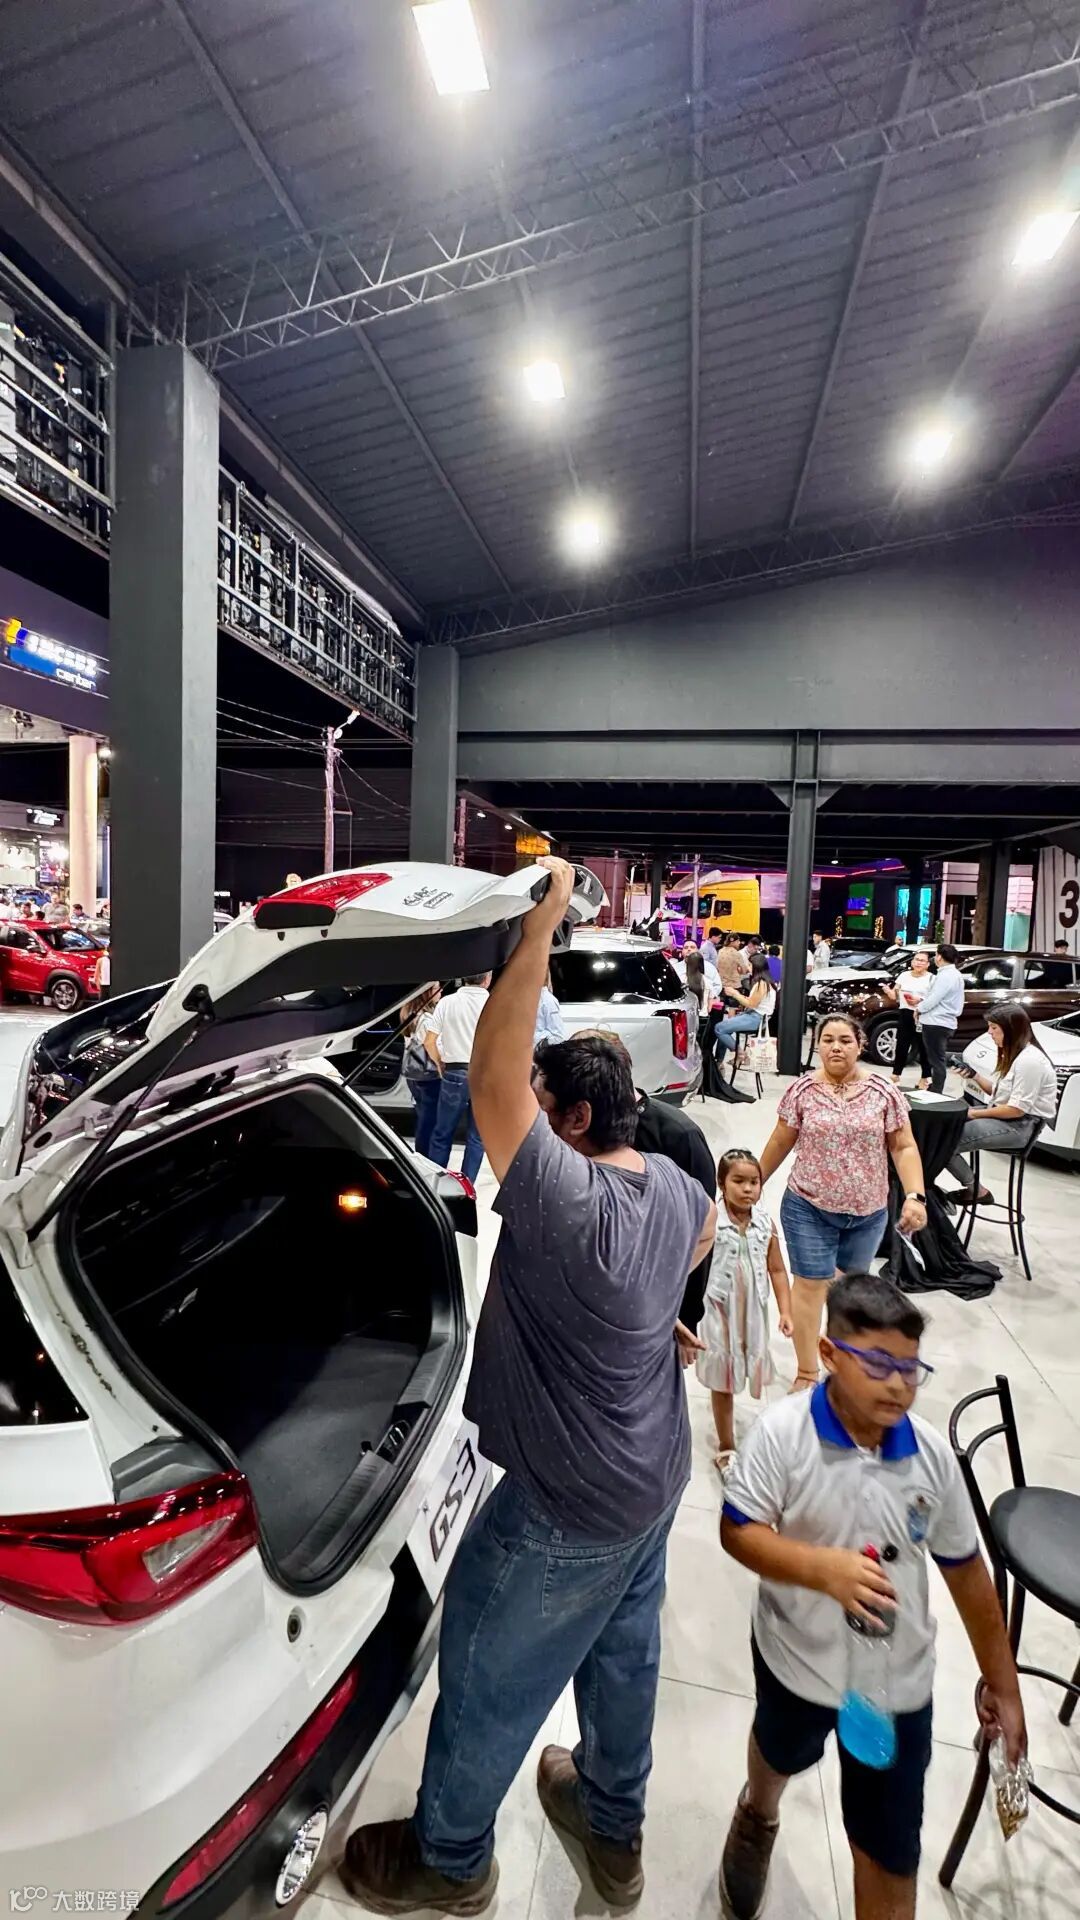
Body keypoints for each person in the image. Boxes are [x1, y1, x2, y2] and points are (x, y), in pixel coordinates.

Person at [341, 859, 715, 1916]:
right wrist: (650, 1320)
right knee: (622, 1657)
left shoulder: (567, 1199)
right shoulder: (670, 1182)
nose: (529, 1125)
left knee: (487, 1665)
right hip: (653, 1479)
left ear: (578, 1122)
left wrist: (538, 932)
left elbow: (495, 1084)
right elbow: (699, 1242)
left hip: (570, 1503)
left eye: (547, 1114)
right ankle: (612, 1827)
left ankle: (449, 1860)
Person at [717, 1272, 1025, 1920]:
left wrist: (1004, 1683)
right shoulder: (783, 1435)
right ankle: (758, 1812)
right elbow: (738, 1531)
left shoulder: (929, 1457)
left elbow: (966, 1570)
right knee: (779, 1749)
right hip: (796, 1658)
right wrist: (821, 1570)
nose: (897, 1385)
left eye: (910, 1369)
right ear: (829, 1354)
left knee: (888, 1851)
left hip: (893, 1686)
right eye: (879, 1364)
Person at [757, 1015, 927, 1391]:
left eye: (845, 1040)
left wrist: (915, 1195)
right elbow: (781, 1139)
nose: (836, 1047)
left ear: (860, 1045)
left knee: (849, 1292)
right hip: (807, 1206)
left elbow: (903, 1146)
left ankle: (842, 1365)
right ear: (817, 1045)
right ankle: (806, 1371)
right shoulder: (802, 1090)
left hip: (867, 1213)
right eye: (828, 1040)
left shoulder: (883, 1092)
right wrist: (757, 1181)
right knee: (810, 1286)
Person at [696, 1150, 793, 1474]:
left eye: (755, 1182)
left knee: (748, 1367)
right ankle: (726, 1445)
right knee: (722, 1379)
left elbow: (777, 1270)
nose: (748, 1189)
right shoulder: (710, 1221)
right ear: (721, 1183)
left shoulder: (766, 1223)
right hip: (718, 1313)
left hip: (753, 1313)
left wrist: (785, 1311)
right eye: (739, 1181)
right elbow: (691, 1266)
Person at [947, 1004, 1056, 1202]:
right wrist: (973, 1075)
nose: (989, 1032)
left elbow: (1016, 1110)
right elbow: (999, 1094)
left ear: (1011, 1029)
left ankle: (977, 1191)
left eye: (994, 1027)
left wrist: (973, 1113)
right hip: (1004, 1116)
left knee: (942, 1142)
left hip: (1019, 1126)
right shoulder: (1017, 1055)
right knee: (940, 1127)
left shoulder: (1030, 1061)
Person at [424, 972, 492, 1186]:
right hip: (485, 1076)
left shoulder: (447, 1002)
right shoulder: (495, 1003)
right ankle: (466, 1187)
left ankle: (435, 1185)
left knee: (442, 1134)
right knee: (477, 1138)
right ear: (487, 979)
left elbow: (429, 1041)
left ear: (464, 978)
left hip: (454, 1072)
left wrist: (440, 1063)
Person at [916, 942, 965, 1093]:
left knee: (936, 1060)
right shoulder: (954, 974)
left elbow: (934, 998)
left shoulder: (946, 975)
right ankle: (935, 1088)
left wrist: (919, 1008)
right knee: (936, 1058)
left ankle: (936, 1092)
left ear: (940, 957)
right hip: (943, 1021)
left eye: (936, 954)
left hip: (937, 1022)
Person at [712, 952, 776, 1067]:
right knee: (724, 1027)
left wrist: (735, 994)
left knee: (719, 1028)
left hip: (756, 1018)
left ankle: (740, 1054)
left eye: (750, 965)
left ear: (757, 967)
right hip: (755, 1016)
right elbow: (754, 1001)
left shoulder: (761, 984)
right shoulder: (764, 982)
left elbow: (751, 1004)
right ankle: (720, 1060)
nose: (748, 967)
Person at [881, 947, 933, 1087]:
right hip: (905, 1013)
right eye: (916, 960)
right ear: (912, 962)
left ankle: (925, 1077)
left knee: (923, 1047)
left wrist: (920, 1000)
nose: (918, 963)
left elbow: (933, 998)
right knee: (901, 1045)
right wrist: (888, 991)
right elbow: (895, 996)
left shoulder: (931, 978)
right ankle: (896, 1074)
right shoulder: (904, 975)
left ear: (928, 964)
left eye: (922, 961)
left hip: (922, 1015)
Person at [402, 985, 442, 1159]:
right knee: (429, 1120)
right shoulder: (426, 1019)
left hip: (414, 1073)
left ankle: (422, 1154)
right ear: (427, 993)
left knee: (423, 1116)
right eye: (437, 988)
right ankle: (424, 1157)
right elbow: (430, 1045)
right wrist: (440, 1065)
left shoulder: (409, 1014)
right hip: (428, 1074)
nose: (441, 992)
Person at [534, 966, 565, 1045]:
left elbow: (558, 1037)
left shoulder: (548, 1000)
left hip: (539, 1051)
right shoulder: (521, 1000)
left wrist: (532, 1037)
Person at [718, 931, 751, 1002]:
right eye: (738, 941)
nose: (739, 943)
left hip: (722, 985)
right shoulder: (737, 954)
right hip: (734, 986)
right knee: (733, 1007)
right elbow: (744, 971)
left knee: (721, 1006)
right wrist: (748, 968)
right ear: (733, 942)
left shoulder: (720, 951)